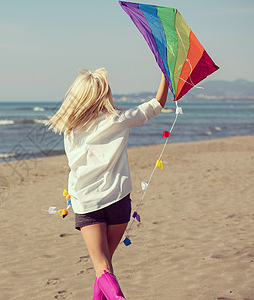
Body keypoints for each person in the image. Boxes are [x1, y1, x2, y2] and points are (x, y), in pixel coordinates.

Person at [46, 68, 168, 300]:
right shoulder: (118, 120)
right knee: (104, 266)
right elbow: (157, 104)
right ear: (104, 96)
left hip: (87, 202)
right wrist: (165, 74)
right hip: (118, 201)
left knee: (101, 266)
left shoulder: (70, 128)